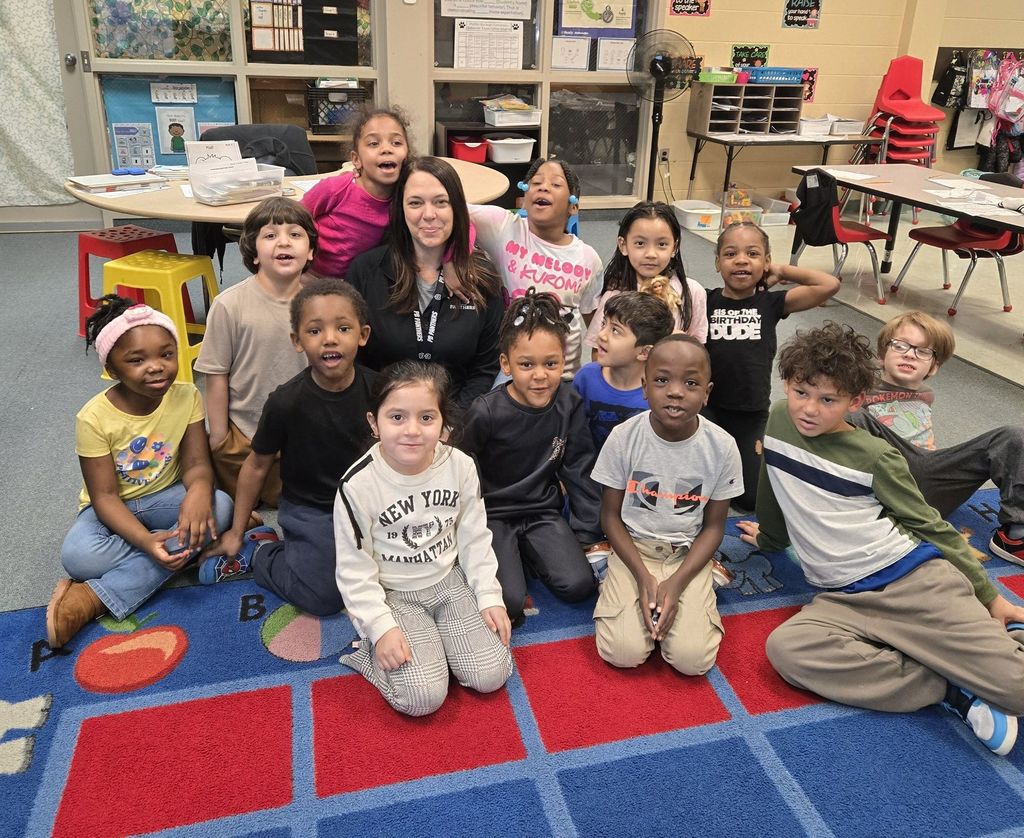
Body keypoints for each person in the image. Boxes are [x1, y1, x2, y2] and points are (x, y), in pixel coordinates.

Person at [738, 321, 1024, 757]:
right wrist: (771, 538)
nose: (809, 409)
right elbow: (773, 485)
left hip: (912, 583)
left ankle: (991, 641)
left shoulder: (877, 455)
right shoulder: (778, 418)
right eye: (801, 392)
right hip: (841, 598)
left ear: (855, 403)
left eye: (828, 400)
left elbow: (928, 524)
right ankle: (949, 684)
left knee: (1016, 691)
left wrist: (991, 598)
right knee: (789, 652)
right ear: (786, 384)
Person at [47, 297, 233, 649]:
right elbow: (104, 497)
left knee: (219, 505)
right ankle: (187, 548)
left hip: (167, 497)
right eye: (137, 359)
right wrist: (148, 543)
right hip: (112, 509)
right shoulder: (93, 417)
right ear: (112, 369)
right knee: (77, 555)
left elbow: (196, 465)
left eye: (166, 354)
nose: (156, 367)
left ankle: (93, 599)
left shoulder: (187, 395)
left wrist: (197, 493)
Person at [335, 361, 513, 716]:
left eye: (427, 418)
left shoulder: (460, 466)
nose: (412, 431)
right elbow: (354, 569)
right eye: (397, 417)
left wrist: (488, 595)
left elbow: (475, 537)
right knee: (422, 699)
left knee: (493, 673)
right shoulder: (356, 486)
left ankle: (438, 648)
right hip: (396, 595)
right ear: (374, 423)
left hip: (449, 583)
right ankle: (368, 651)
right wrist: (381, 628)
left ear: (444, 425)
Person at [198, 278, 379, 613]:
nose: (329, 339)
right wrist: (237, 532)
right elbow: (255, 466)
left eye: (342, 328)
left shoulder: (380, 391)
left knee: (407, 574)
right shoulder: (285, 402)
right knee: (324, 596)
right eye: (314, 331)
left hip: (368, 506)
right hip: (310, 509)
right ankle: (265, 552)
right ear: (297, 341)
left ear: (362, 335)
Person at [592, 335, 742, 672]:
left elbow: (715, 526)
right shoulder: (623, 438)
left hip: (686, 553)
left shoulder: (723, 447)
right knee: (622, 653)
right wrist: (645, 578)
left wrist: (676, 583)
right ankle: (609, 570)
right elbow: (611, 516)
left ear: (707, 392)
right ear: (645, 387)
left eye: (691, 382)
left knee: (692, 661)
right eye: (662, 380)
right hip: (633, 548)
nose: (675, 391)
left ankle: (702, 581)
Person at [460, 289, 603, 624]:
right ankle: (513, 557)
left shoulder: (569, 404)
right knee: (508, 601)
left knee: (579, 584)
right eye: (526, 365)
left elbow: (580, 470)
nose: (540, 375)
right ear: (506, 364)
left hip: (541, 511)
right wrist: (464, 530)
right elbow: (460, 470)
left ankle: (530, 553)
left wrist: (585, 536)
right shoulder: (485, 411)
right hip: (492, 516)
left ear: (564, 361)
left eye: (550, 363)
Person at [848, 311, 1024, 565]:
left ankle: (1016, 532)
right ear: (881, 355)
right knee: (850, 416)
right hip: (882, 478)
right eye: (900, 346)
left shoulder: (925, 392)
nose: (910, 354)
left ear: (934, 367)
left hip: (927, 481)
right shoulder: (863, 386)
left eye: (923, 351)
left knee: (1014, 436)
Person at [704, 221, 840, 510]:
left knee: (750, 498)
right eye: (730, 254)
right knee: (698, 484)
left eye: (752, 254)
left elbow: (829, 285)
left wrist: (782, 270)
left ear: (765, 261)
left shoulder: (771, 303)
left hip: (751, 414)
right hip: (706, 410)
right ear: (717, 263)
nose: (741, 260)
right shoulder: (705, 300)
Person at [347, 157, 503, 407]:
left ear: (457, 208)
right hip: (382, 417)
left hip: (456, 422)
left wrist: (452, 424)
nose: (429, 215)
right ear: (401, 209)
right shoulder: (366, 271)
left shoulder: (482, 277)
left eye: (441, 202)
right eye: (415, 203)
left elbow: (485, 367)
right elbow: (355, 360)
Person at [194, 197, 315, 507]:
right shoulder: (229, 305)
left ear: (311, 250)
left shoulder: (321, 304)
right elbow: (215, 373)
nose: (283, 242)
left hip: (302, 437)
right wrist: (219, 438)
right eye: (270, 235)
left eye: (295, 234)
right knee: (229, 507)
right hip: (242, 435)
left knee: (301, 504)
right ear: (254, 252)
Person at [469, 158, 602, 377]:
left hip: (563, 376)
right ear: (524, 197)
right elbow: (447, 207)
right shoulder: (503, 227)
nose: (543, 186)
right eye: (536, 182)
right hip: (513, 371)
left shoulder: (588, 258)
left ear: (573, 205)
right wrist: (450, 260)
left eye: (556, 184)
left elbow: (595, 323)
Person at [301, 106, 410, 280]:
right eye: (374, 143)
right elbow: (293, 217)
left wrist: (452, 262)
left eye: (396, 142)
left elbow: (458, 217)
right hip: (310, 275)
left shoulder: (408, 193)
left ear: (407, 154)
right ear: (356, 160)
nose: (386, 149)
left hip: (359, 282)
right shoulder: (335, 188)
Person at [585, 201, 708, 353]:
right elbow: (599, 351)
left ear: (674, 248)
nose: (650, 254)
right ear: (623, 245)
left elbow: (697, 349)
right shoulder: (614, 295)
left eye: (662, 244)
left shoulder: (692, 292)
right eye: (640, 243)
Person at [572, 291, 674, 449]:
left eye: (615, 331)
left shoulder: (658, 395)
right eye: (604, 324)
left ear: (644, 352)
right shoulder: (586, 377)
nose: (601, 335)